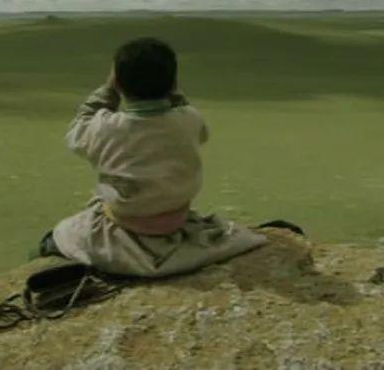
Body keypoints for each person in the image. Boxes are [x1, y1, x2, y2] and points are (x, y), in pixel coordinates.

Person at [40, 37, 267, 277]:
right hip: (176, 220)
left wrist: (108, 91)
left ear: (117, 82)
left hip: (124, 224)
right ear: (173, 83)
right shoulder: (189, 119)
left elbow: (77, 129)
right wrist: (173, 93)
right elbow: (201, 133)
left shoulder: (105, 128)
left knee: (53, 239)